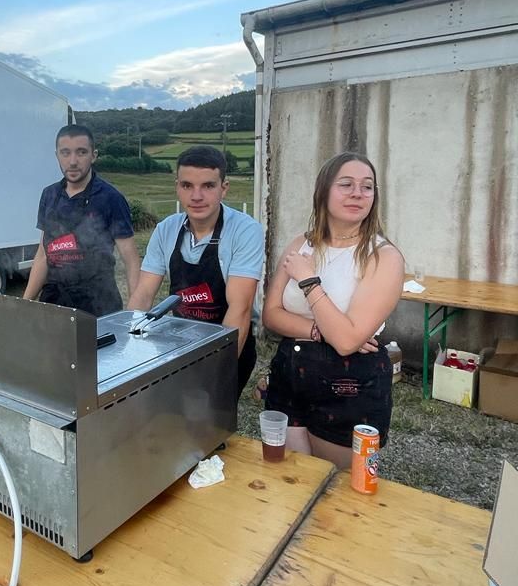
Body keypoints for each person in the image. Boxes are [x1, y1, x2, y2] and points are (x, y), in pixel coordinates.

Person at [261, 151, 404, 468]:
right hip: (290, 374)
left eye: (367, 186)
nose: (358, 193)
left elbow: (347, 342)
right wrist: (320, 331)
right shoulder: (301, 244)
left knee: (337, 485)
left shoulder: (383, 257)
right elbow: (271, 314)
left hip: (349, 384)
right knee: (291, 477)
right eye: (346, 184)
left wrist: (309, 281)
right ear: (323, 191)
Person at [128, 145, 264, 397]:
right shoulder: (166, 229)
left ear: (224, 188)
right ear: (177, 187)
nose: (196, 196)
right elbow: (143, 294)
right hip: (179, 341)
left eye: (208, 186)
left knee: (208, 413)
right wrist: (128, 345)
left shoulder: (245, 231)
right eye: (187, 185)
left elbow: (240, 308)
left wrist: (215, 372)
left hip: (231, 340)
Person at [23, 124, 140, 317]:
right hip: (54, 303)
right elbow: (43, 255)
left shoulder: (111, 198)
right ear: (57, 155)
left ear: (93, 155)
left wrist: (135, 314)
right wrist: (24, 304)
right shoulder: (49, 195)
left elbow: (131, 259)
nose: (73, 161)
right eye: (65, 153)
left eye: (81, 152)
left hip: (99, 304)